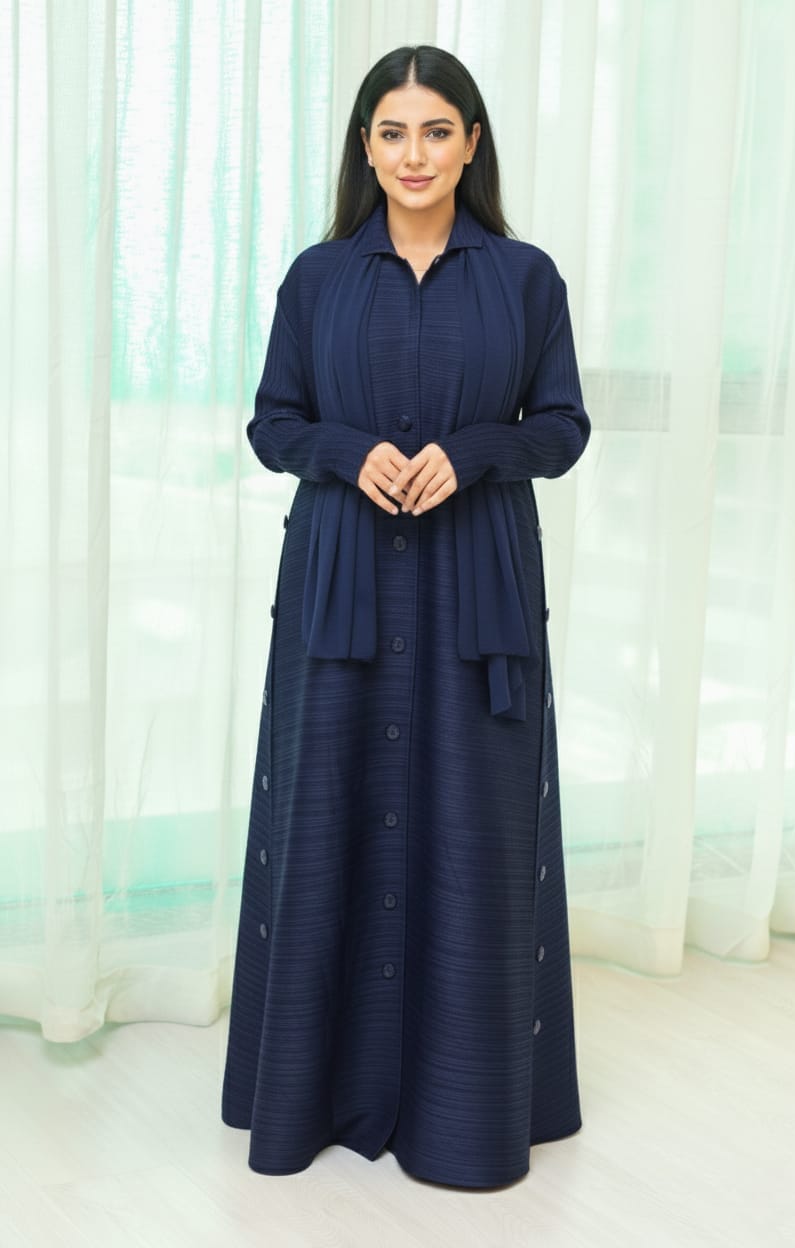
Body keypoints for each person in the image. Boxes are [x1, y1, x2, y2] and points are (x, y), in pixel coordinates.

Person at [221, 44, 590, 1190]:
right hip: (340, 582)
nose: (414, 154)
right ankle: (313, 1090)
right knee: (329, 810)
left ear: (471, 144)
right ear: (366, 147)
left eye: (436, 131)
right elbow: (272, 424)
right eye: (392, 132)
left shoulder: (524, 279)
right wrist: (345, 450)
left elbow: (563, 428)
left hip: (477, 584)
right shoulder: (317, 279)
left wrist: (476, 453)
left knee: (474, 825)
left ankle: (462, 1105)